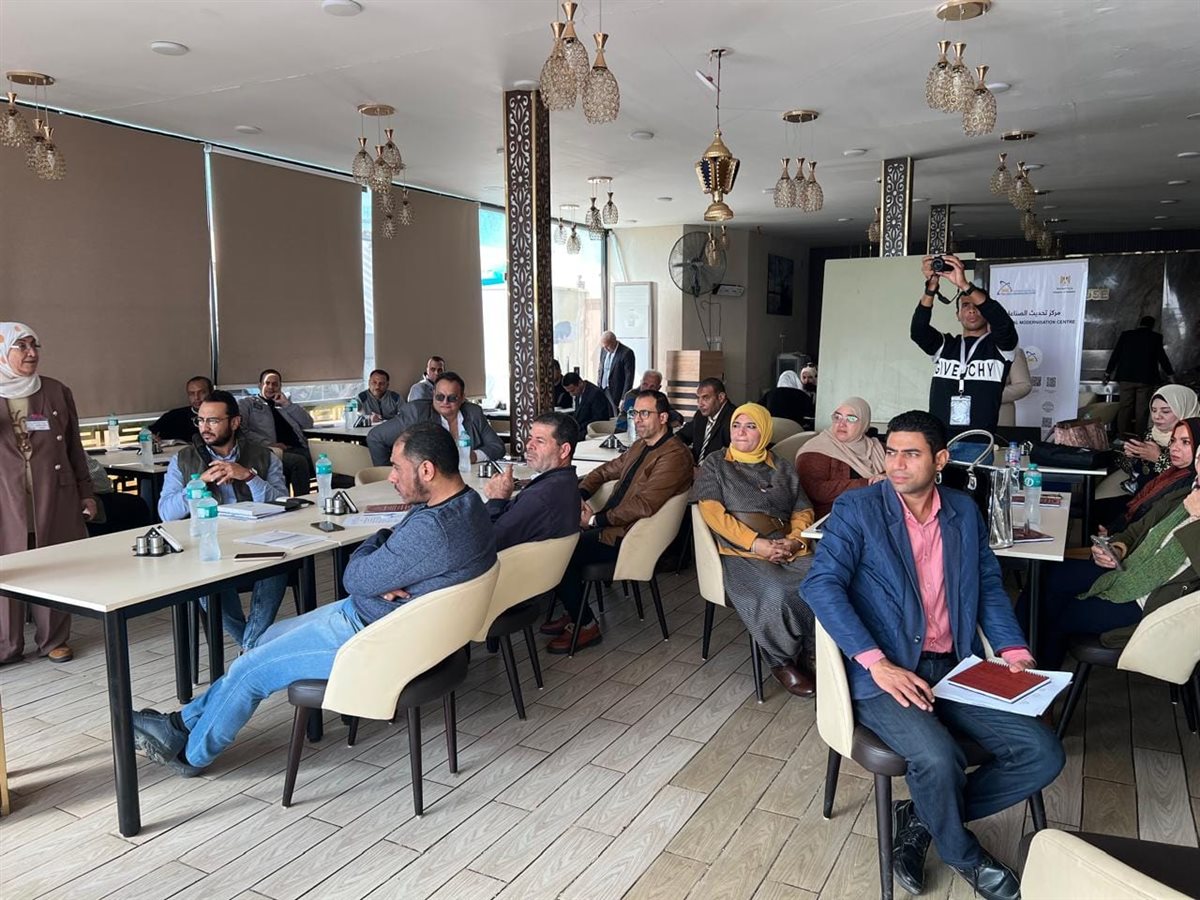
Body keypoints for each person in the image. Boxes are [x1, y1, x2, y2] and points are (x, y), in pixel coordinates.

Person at [130, 423, 497, 777]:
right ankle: (179, 724)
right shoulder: (468, 505)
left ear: (427, 470)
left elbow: (354, 576)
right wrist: (386, 562)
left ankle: (191, 755)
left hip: (372, 638)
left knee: (250, 670)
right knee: (261, 641)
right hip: (383, 621)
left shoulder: (433, 529)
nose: (391, 477)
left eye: (397, 468)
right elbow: (387, 545)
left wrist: (378, 560)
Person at [802, 410, 1063, 900]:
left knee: (1043, 752)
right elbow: (821, 585)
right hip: (888, 674)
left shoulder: (962, 511)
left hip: (956, 667)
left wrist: (1013, 650)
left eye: (911, 454)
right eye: (891, 452)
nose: (896, 464)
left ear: (940, 460)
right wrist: (877, 662)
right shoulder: (859, 509)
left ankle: (923, 817)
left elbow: (987, 585)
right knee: (939, 759)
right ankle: (964, 854)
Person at [1026, 440, 1200, 670]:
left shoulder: (1193, 504)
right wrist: (1117, 548)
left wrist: (1196, 517)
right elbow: (1137, 529)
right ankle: (1018, 661)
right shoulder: (1184, 496)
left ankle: (1034, 675)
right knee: (1047, 579)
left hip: (1154, 607)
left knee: (1060, 612)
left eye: (1186, 443)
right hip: (1129, 570)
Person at [544, 389, 693, 653]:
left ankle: (586, 625)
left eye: (645, 413)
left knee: (558, 553)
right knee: (558, 539)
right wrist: (580, 494)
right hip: (614, 527)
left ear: (663, 418)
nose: (637, 419)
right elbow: (605, 470)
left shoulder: (675, 455)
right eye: (635, 413)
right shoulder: (641, 446)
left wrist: (595, 520)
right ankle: (574, 609)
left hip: (628, 537)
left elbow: (644, 505)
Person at [692, 403, 818, 696]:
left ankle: (813, 649)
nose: (741, 433)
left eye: (751, 427)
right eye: (736, 425)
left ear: (764, 432)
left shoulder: (782, 466)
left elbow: (803, 509)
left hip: (784, 543)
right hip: (740, 548)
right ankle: (780, 659)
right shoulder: (716, 463)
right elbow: (712, 512)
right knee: (776, 592)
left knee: (823, 578)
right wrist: (755, 543)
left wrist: (795, 540)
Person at [158, 390, 290, 650]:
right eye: (200, 420)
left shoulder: (264, 456)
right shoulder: (182, 459)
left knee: (280, 563)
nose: (204, 427)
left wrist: (249, 477)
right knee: (206, 579)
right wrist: (198, 484)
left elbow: (283, 502)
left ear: (235, 422)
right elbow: (166, 513)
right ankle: (253, 648)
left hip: (258, 541)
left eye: (213, 420)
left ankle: (250, 648)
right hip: (208, 542)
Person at [0, 323, 95, 665]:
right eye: (22, 346)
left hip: (54, 495)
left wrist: (86, 492)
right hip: (5, 500)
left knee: (53, 566)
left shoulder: (54, 390)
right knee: (5, 569)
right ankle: (6, 644)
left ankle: (54, 638)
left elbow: (73, 447)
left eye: (34, 345)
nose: (31, 353)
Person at [911, 254, 1018, 463]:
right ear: (958, 314)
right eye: (965, 305)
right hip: (940, 442)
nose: (971, 310)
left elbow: (1003, 323)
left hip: (977, 444)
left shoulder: (1000, 347)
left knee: (972, 486)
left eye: (976, 305)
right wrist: (931, 287)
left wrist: (964, 285)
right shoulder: (945, 346)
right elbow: (918, 330)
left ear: (986, 312)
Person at [483, 412, 582, 550]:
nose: (529, 445)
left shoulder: (540, 497)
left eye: (540, 441)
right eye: (530, 438)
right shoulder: (567, 482)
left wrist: (496, 500)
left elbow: (486, 544)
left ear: (564, 450)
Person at [367, 371, 505, 467]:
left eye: (452, 398)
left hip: (468, 480)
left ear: (463, 398)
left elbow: (497, 447)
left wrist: (473, 456)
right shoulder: (416, 413)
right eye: (440, 397)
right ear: (433, 394)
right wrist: (390, 474)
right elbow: (375, 437)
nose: (445, 402)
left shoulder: (473, 413)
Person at [1093, 418, 1199, 534]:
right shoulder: (1173, 472)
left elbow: (1151, 517)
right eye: (1173, 441)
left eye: (1186, 442)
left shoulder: (1190, 484)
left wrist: (1116, 535)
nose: (1174, 448)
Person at [796, 396, 887, 519]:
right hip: (835, 517)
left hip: (877, 512)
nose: (841, 424)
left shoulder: (878, 448)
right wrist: (869, 483)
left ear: (864, 423)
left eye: (851, 418)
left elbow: (901, 472)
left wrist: (885, 477)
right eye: (837, 417)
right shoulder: (815, 449)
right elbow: (815, 490)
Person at [237, 369, 314, 496]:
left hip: (298, 447)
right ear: (260, 385)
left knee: (327, 458)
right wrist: (269, 444)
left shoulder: (284, 404)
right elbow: (241, 430)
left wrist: (287, 404)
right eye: (267, 383)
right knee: (299, 462)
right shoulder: (248, 404)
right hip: (271, 450)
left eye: (275, 384)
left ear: (280, 386)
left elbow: (308, 423)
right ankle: (302, 500)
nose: (271, 387)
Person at [1113, 385, 1199, 495]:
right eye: (1153, 410)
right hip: (1145, 494)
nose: (1157, 416)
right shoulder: (1152, 433)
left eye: (1165, 411)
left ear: (1184, 409)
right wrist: (1132, 456)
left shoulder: (1196, 437)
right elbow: (1136, 470)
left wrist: (1158, 459)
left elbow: (1189, 479)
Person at [1105, 316, 1176, 435]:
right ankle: (1139, 436)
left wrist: (1108, 372)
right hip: (1145, 379)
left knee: (1125, 407)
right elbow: (1162, 358)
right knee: (1142, 409)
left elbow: (1115, 355)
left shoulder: (1126, 335)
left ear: (1140, 323)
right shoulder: (1155, 337)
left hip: (1126, 377)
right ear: (1152, 325)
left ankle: (1122, 436)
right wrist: (1170, 375)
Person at [678, 377, 735, 466]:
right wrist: (685, 451)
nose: (700, 404)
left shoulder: (734, 419)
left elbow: (732, 459)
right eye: (698, 398)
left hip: (717, 471)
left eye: (705, 398)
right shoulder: (700, 415)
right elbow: (682, 435)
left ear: (721, 397)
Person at [149, 375, 212, 443]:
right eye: (191, 393)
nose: (196, 397)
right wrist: (151, 437)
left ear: (211, 392)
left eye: (202, 392)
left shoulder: (220, 415)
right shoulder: (174, 416)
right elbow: (147, 433)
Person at [597, 331, 635, 414]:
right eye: (604, 346)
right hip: (603, 389)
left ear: (614, 341)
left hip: (616, 391)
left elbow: (629, 378)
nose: (606, 349)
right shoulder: (603, 350)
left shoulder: (626, 353)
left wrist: (624, 398)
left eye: (608, 346)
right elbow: (601, 368)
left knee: (615, 414)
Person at [996, 347, 1033, 428]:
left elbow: (1024, 385)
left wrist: (990, 395)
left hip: (999, 418)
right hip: (966, 417)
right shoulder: (966, 349)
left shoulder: (1012, 352)